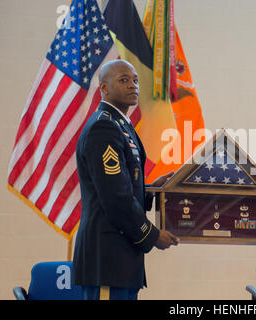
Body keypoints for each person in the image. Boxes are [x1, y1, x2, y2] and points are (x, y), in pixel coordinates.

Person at [72, 59, 179, 300]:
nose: (133, 85)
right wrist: (151, 235)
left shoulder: (121, 125)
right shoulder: (104, 128)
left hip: (121, 259)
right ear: (105, 88)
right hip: (108, 259)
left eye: (135, 80)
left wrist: (151, 190)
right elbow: (115, 198)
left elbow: (123, 186)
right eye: (123, 80)